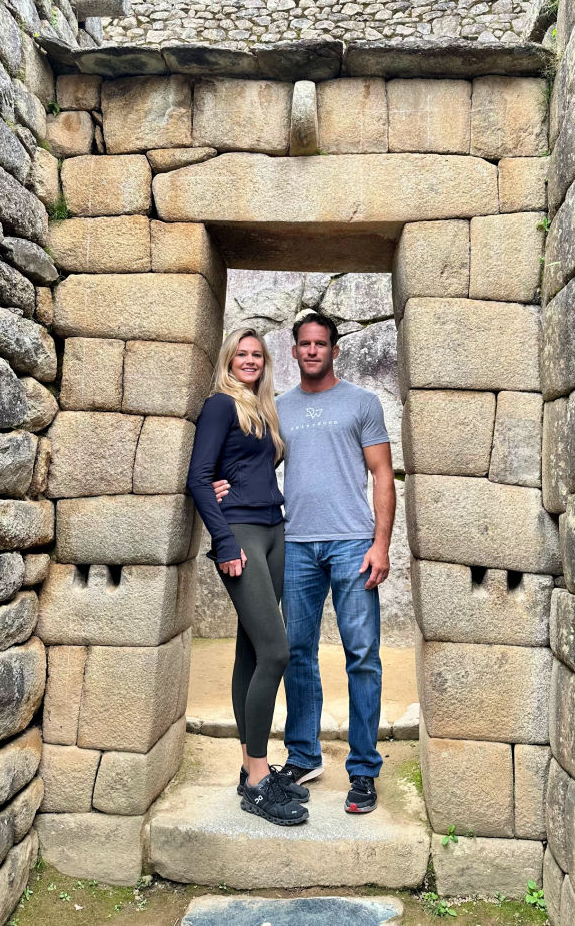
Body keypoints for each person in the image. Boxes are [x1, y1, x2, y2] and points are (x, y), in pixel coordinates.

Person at [214, 311, 395, 814]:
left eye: (321, 344)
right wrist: (215, 484)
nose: (313, 350)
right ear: (293, 351)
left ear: (335, 350)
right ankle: (303, 756)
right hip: (295, 543)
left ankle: (362, 770)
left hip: (353, 544)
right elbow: (250, 463)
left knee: (362, 656)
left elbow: (382, 475)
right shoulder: (279, 409)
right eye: (304, 344)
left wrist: (380, 544)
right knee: (295, 652)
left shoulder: (362, 402)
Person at [186, 328, 308, 826]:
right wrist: (224, 541)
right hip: (240, 535)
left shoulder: (262, 409)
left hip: (274, 530)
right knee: (277, 651)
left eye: (258, 354)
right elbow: (198, 477)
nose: (250, 361)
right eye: (242, 354)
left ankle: (247, 767)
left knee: (252, 651)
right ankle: (258, 780)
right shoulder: (220, 405)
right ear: (228, 359)